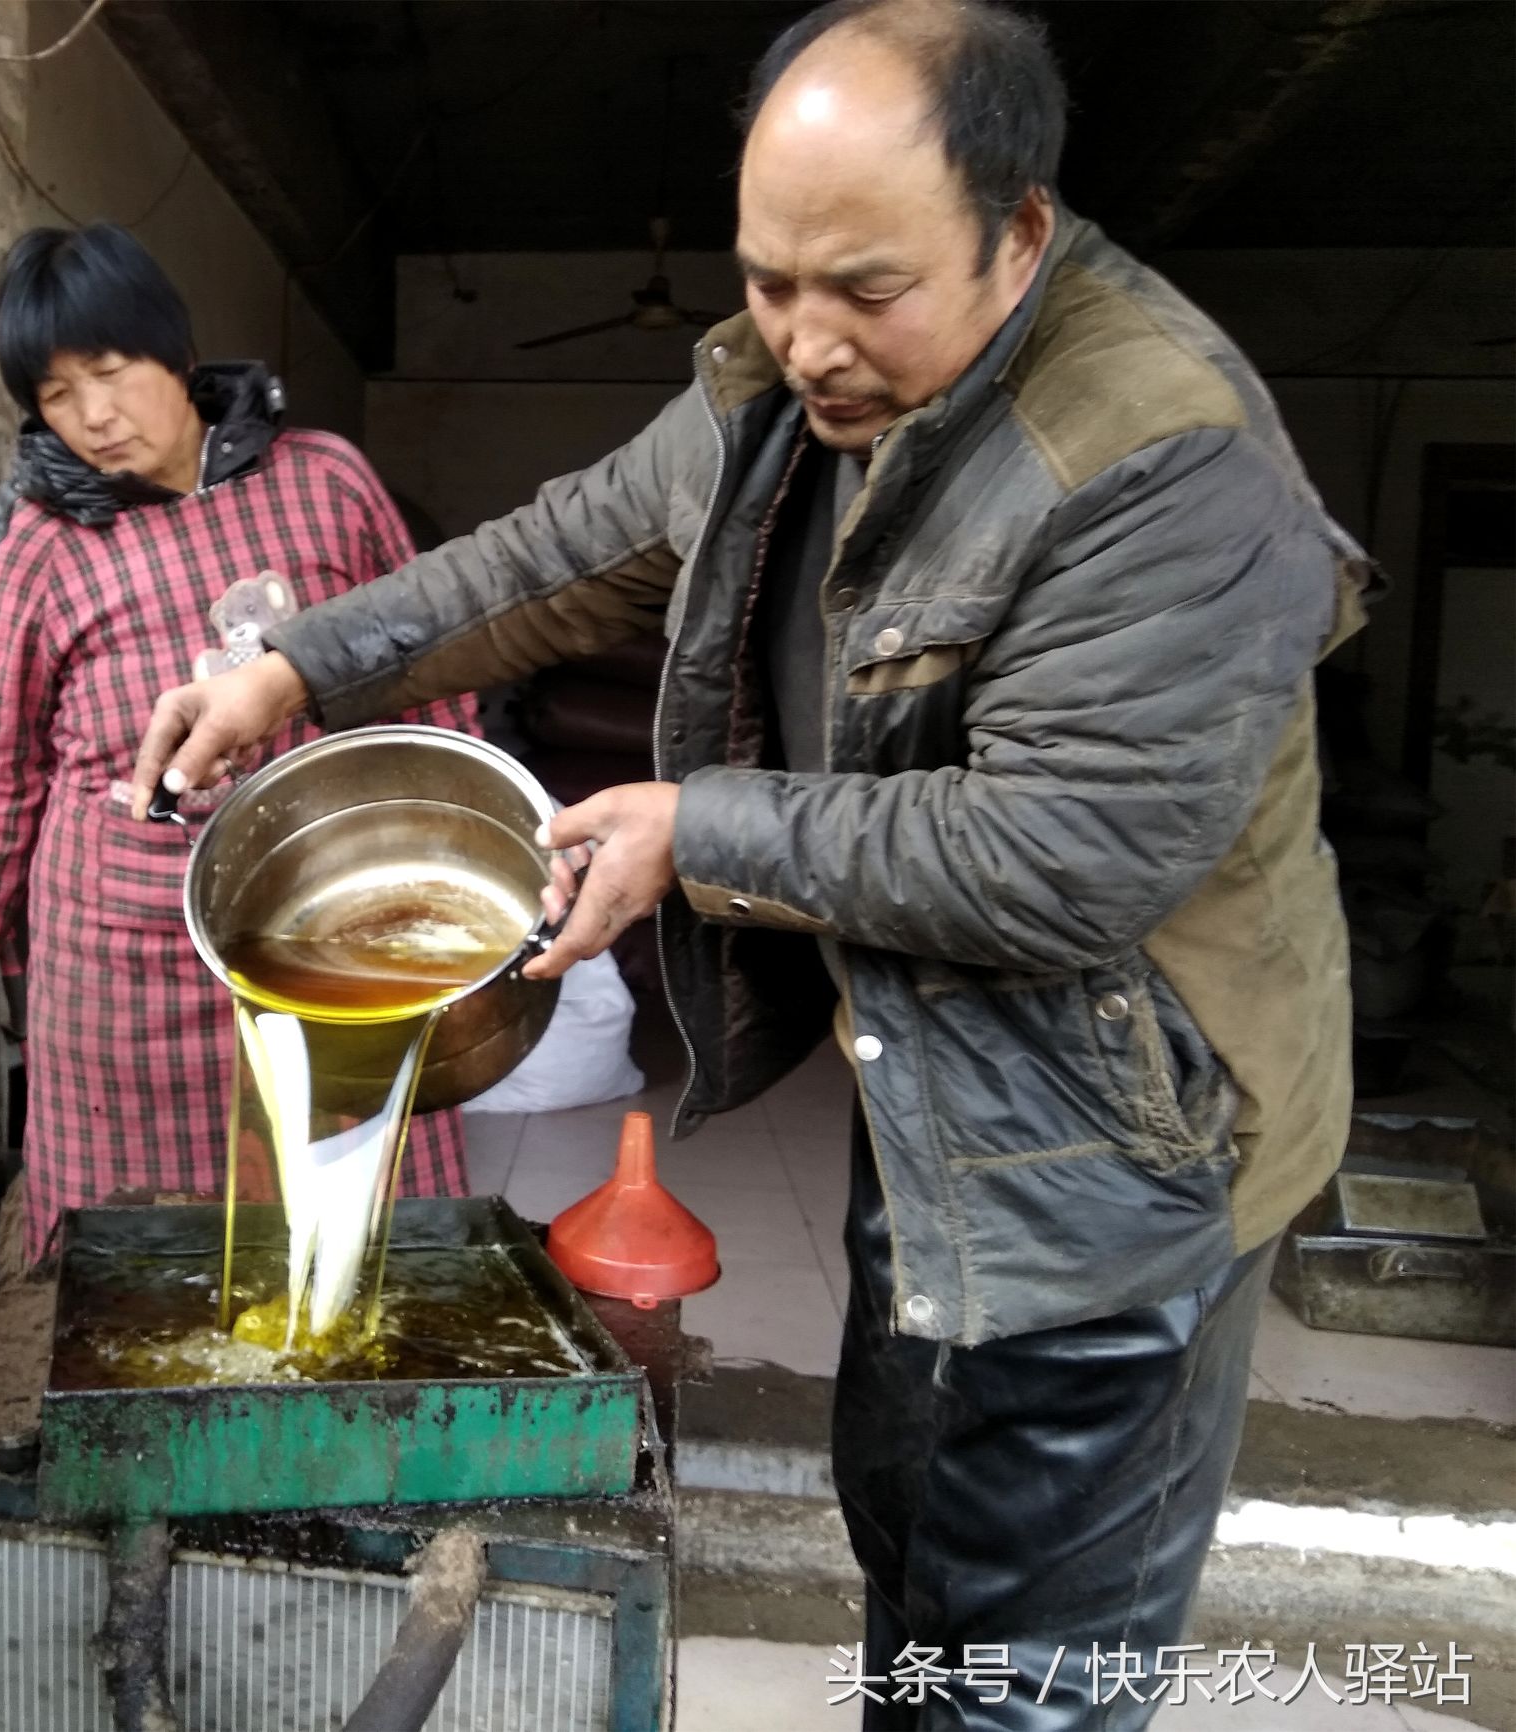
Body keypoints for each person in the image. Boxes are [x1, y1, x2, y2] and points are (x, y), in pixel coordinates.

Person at [129, 3, 1375, 1725]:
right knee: (914, 1554)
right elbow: (566, 549)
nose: (804, 341)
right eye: (769, 281)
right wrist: (299, 666)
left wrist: (689, 825)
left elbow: (1056, 853)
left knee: (1027, 1664)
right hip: (932, 1093)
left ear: (1016, 230)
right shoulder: (783, 384)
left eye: (863, 289)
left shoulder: (1156, 465)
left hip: (1121, 1152)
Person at [0, 222, 475, 1266]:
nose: (92, 417)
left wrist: (473, 872)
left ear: (177, 354)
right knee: (134, 1266)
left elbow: (429, 678)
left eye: (109, 373)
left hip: (328, 933)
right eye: (56, 395)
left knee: (356, 1243)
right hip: (121, 980)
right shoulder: (41, 547)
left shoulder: (323, 483)